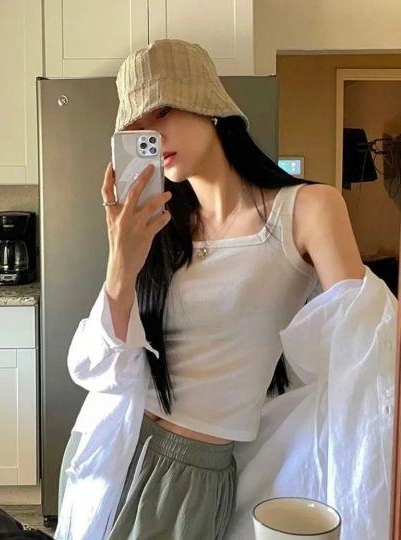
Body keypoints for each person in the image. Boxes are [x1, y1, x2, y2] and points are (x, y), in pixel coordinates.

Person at [55, 38, 386, 540]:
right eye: (135, 128)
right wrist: (120, 263)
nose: (150, 134)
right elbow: (97, 368)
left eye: (161, 111)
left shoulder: (309, 209)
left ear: (208, 104)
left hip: (192, 477)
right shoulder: (160, 229)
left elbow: (365, 355)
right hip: (114, 448)